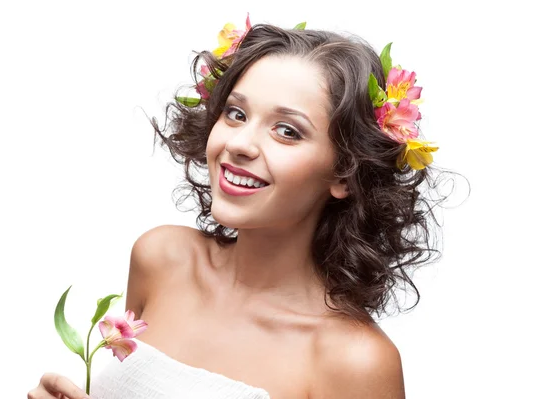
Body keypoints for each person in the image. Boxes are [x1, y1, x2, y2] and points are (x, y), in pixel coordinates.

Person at [29, 18, 446, 399]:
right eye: (236, 113)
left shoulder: (354, 361)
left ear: (343, 173)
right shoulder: (161, 259)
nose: (240, 144)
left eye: (287, 131)